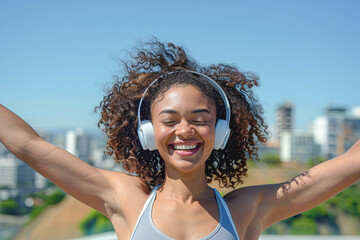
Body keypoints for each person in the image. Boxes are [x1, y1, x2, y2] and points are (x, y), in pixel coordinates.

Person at [0, 39, 359, 240]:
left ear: (219, 131)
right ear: (146, 131)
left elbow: (350, 164)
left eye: (200, 120)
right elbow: (30, 145)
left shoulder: (246, 209)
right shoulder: (126, 200)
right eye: (169, 121)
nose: (184, 131)